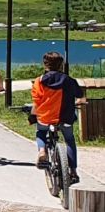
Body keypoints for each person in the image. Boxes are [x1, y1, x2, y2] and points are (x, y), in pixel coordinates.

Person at [31, 52, 84, 181]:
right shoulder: (69, 80)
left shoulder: (39, 81)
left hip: (45, 117)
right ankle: (73, 171)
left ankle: (42, 150)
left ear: (45, 64)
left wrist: (32, 115)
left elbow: (36, 102)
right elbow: (79, 94)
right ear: (61, 65)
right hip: (65, 118)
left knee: (41, 133)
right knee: (69, 140)